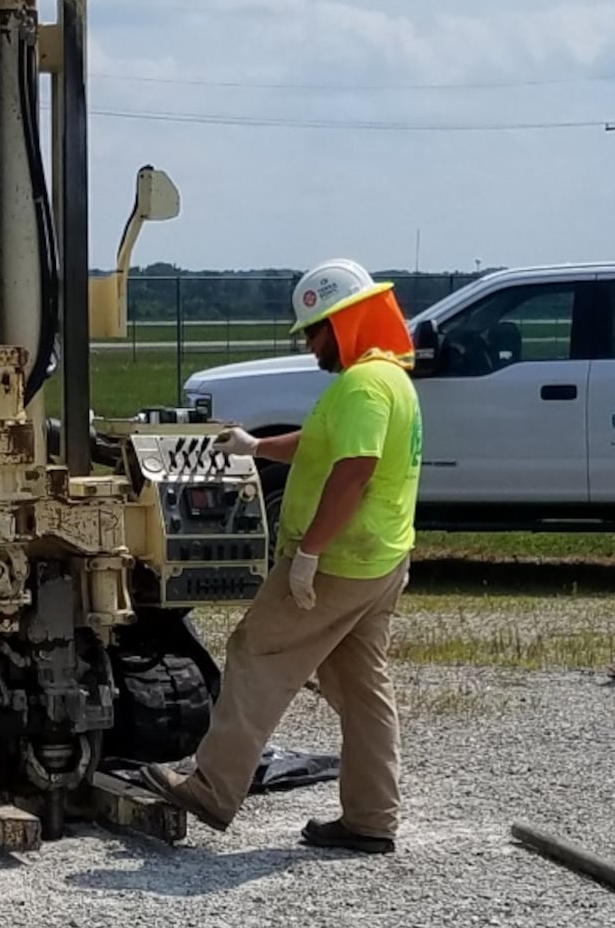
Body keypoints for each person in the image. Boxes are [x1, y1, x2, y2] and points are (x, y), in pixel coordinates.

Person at [143, 258, 421, 855]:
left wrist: (309, 555)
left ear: (344, 321)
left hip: (340, 561)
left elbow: (353, 471)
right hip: (381, 558)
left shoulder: (364, 385)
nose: (310, 343)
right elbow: (327, 442)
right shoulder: (388, 378)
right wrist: (257, 447)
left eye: (315, 329)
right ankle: (372, 818)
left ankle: (213, 791)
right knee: (361, 687)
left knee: (256, 651)